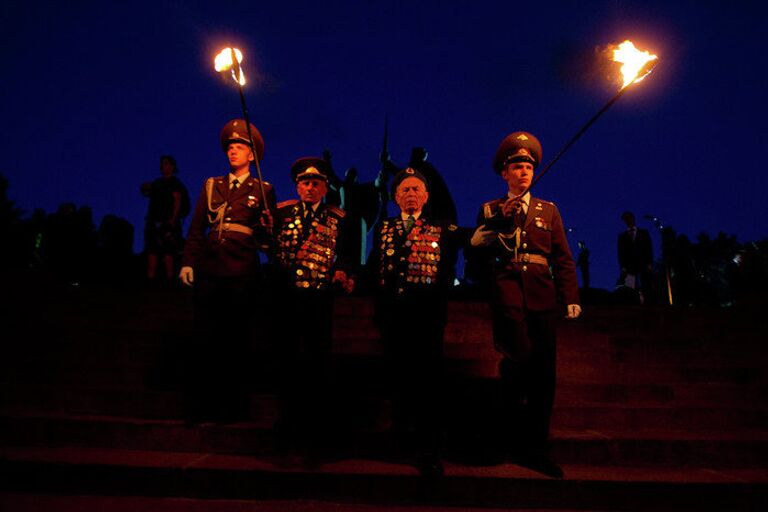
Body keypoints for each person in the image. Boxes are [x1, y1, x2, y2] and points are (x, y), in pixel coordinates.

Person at [469, 131, 580, 478]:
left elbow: (562, 257)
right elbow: (477, 259)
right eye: (516, 167)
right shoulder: (490, 209)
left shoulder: (549, 210)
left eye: (528, 167)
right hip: (508, 298)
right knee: (515, 370)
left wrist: (570, 296)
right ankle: (507, 441)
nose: (523, 173)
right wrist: (494, 225)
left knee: (544, 376)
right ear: (505, 173)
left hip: (542, 298)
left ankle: (536, 447)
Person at [369, 167, 467, 478]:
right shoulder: (384, 228)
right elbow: (376, 268)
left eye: (416, 189)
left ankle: (428, 451)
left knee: (428, 385)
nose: (410, 194)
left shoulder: (443, 229)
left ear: (426, 197)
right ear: (396, 196)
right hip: (393, 318)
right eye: (405, 190)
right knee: (398, 380)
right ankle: (401, 441)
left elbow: (464, 247)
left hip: (426, 319)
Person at [179, 119, 277, 425]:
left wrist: (266, 226)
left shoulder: (263, 189)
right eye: (230, 147)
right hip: (210, 268)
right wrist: (187, 261)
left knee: (237, 340)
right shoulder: (212, 186)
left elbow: (266, 240)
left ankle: (234, 408)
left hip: (242, 271)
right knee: (205, 339)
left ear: (252, 156)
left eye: (240, 147)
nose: (233, 151)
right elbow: (197, 228)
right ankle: (201, 406)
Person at [272, 156, 355, 460]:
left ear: (325, 188)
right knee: (288, 362)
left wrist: (342, 271)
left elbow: (346, 253)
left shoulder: (339, 218)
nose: (310, 187)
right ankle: (286, 428)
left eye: (316, 183)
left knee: (319, 363)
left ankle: (317, 433)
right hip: (287, 298)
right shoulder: (281, 214)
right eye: (305, 182)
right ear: (297, 186)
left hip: (320, 299)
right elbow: (268, 247)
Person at [140, 155, 189, 282]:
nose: (163, 166)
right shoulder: (157, 183)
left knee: (168, 251)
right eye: (162, 163)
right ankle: (150, 280)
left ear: (172, 166)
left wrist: (173, 219)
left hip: (167, 222)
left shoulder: (175, 183)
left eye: (166, 163)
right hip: (153, 221)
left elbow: (177, 200)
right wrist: (145, 188)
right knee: (152, 250)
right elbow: (146, 194)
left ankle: (169, 280)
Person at [617, 211, 653, 303]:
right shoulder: (622, 237)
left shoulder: (644, 233)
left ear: (633, 219)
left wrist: (649, 263)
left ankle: (648, 303)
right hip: (629, 266)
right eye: (626, 220)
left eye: (629, 219)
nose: (628, 221)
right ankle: (633, 303)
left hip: (643, 263)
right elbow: (621, 253)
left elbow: (648, 248)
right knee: (630, 287)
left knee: (646, 285)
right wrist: (623, 267)